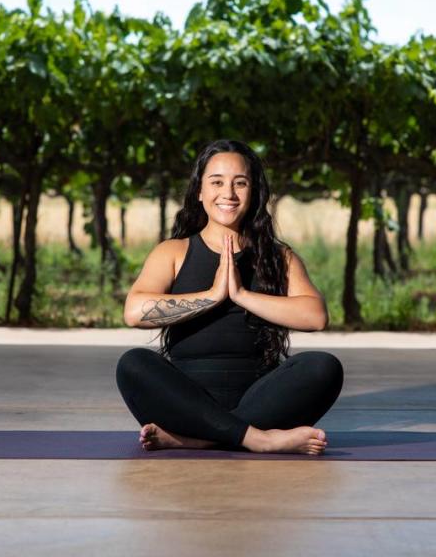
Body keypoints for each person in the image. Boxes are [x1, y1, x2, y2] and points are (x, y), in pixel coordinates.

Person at [116, 139, 343, 455]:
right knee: (133, 364)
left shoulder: (279, 257)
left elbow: (315, 316)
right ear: (199, 191)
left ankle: (199, 438)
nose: (229, 193)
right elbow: (134, 312)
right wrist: (212, 296)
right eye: (217, 182)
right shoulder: (173, 252)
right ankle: (257, 439)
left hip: (260, 400)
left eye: (241, 183)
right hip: (185, 400)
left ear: (254, 192)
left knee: (324, 367)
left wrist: (241, 294)